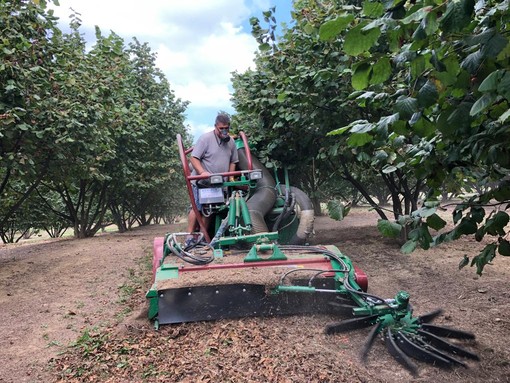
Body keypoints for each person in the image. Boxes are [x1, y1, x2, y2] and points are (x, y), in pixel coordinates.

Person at [185, 113, 239, 247]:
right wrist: (202, 172)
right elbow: (194, 158)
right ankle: (189, 236)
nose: (224, 131)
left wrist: (230, 176)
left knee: (210, 210)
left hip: (219, 183)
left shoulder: (231, 142)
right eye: (221, 128)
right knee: (196, 208)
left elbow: (234, 161)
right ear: (216, 127)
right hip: (201, 182)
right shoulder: (205, 139)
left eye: (226, 128)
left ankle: (204, 237)